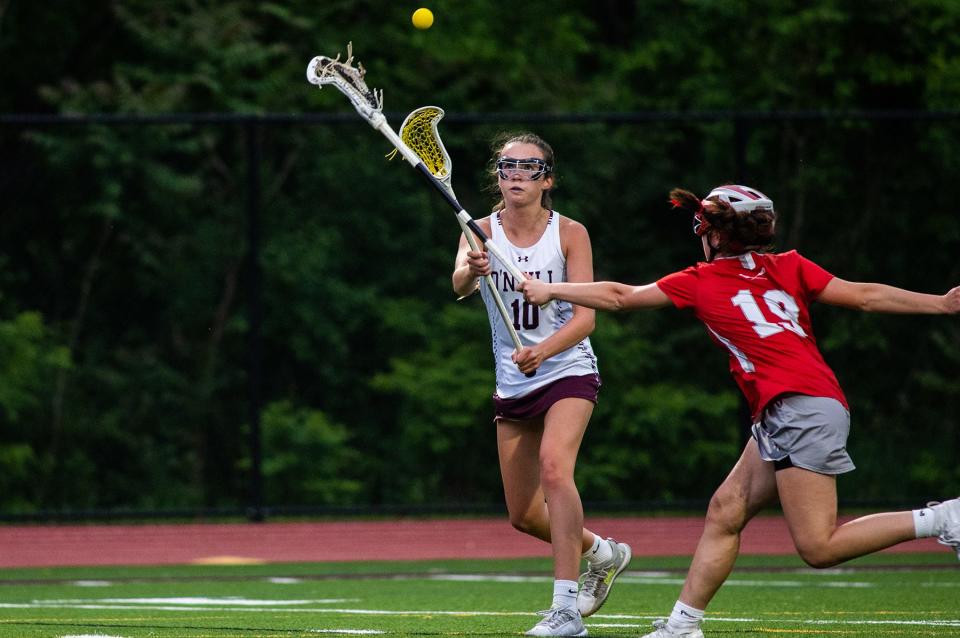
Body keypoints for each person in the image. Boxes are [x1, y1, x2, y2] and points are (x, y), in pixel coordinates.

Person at [519, 184, 960, 638]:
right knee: (726, 511)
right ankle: (682, 626)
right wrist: (941, 304)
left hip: (796, 409)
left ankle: (944, 519)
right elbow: (866, 295)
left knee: (819, 546)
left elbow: (620, 296)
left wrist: (549, 288)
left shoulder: (702, 280)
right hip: (799, 405)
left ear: (714, 234)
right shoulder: (789, 265)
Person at [452, 133, 632, 637]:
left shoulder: (571, 233)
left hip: (567, 368)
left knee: (556, 471)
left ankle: (566, 611)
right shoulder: (478, 230)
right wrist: (473, 266)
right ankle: (603, 551)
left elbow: (585, 319)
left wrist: (543, 351)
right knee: (525, 515)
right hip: (513, 381)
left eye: (528, 167)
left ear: (547, 179)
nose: (515, 174)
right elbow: (458, 285)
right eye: (506, 166)